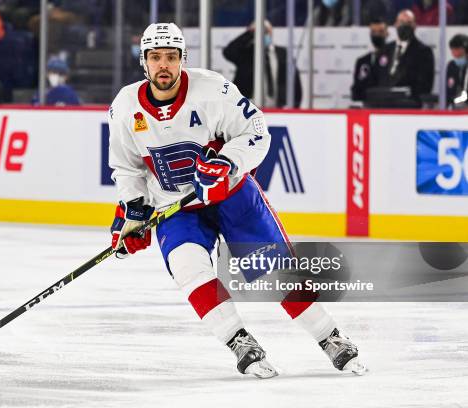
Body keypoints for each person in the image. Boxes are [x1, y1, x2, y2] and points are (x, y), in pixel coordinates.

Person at [107, 23, 365, 379]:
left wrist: (226, 162)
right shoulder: (124, 107)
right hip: (174, 209)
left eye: (171, 56)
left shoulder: (212, 89)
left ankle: (329, 336)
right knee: (188, 268)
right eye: (155, 58)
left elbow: (256, 130)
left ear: (183, 58)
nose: (163, 65)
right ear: (144, 62)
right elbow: (126, 167)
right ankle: (239, 341)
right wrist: (134, 211)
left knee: (275, 272)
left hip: (231, 196)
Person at [222, 20, 302, 108]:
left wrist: (295, 105)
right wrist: (250, 33)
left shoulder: (283, 54)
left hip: (278, 108)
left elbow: (295, 81)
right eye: (259, 32)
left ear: (271, 32)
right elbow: (229, 52)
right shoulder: (246, 54)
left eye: (265, 31)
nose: (263, 34)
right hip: (248, 108)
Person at [382, 9, 434, 106]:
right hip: (384, 106)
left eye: (409, 23)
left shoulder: (424, 52)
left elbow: (425, 85)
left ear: (415, 26)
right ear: (395, 24)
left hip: (409, 106)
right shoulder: (385, 49)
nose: (405, 26)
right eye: (401, 22)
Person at [350, 17, 394, 102]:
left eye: (380, 32)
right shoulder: (362, 61)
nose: (377, 35)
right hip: (367, 108)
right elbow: (356, 90)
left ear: (387, 34)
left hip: (388, 109)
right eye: (374, 32)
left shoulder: (394, 59)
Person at [446, 34, 468, 107]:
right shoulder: (451, 65)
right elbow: (449, 88)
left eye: (457, 49)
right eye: (452, 50)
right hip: (455, 104)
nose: (454, 53)